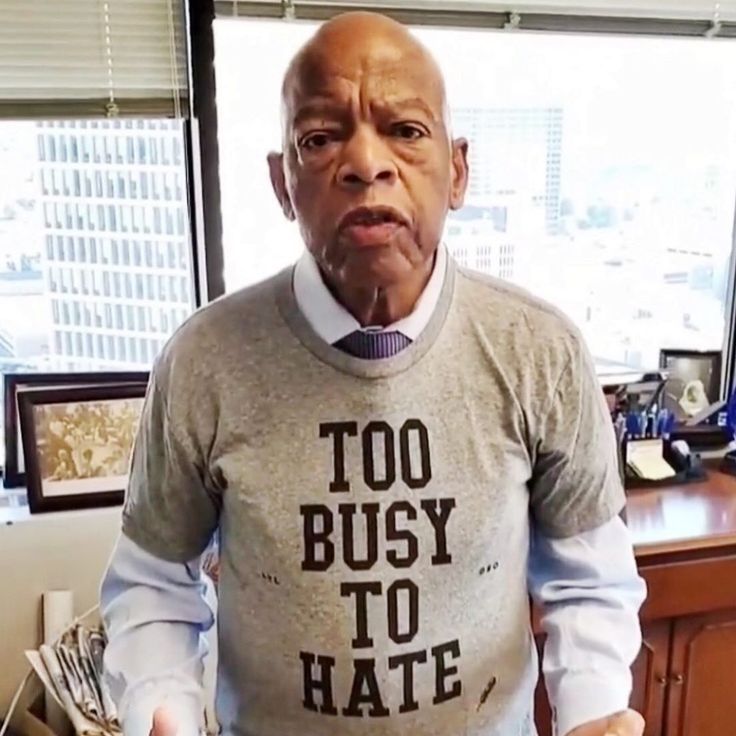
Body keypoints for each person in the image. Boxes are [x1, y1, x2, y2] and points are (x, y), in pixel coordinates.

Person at [101, 12, 646, 736]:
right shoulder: (206, 361)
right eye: (320, 138)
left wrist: (592, 711)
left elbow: (590, 578)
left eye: (406, 131)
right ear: (282, 183)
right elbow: (152, 582)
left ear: (457, 171)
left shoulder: (538, 351)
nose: (366, 163)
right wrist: (159, 709)